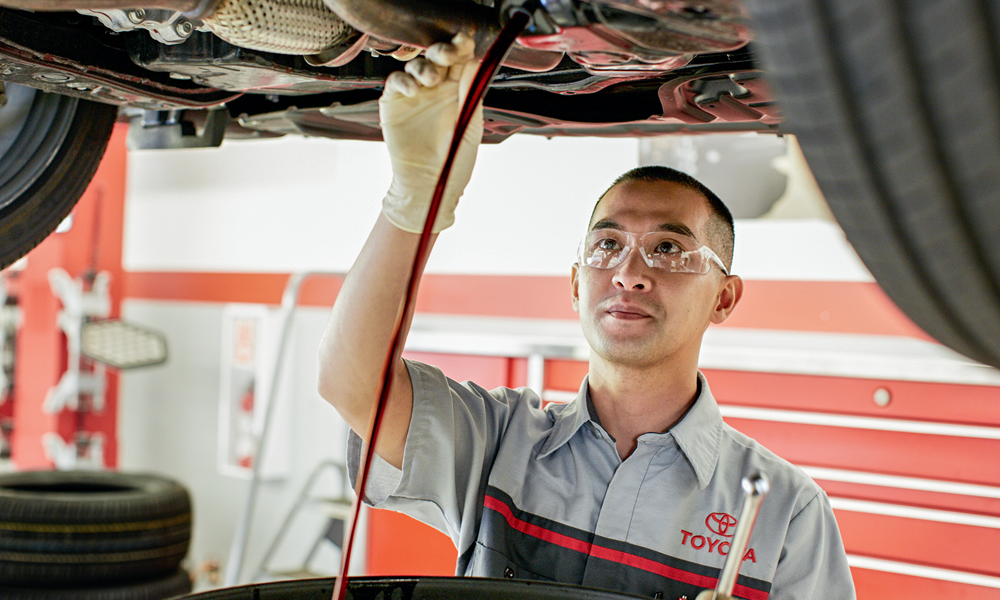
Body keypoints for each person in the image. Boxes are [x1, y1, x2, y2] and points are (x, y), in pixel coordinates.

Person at [317, 33, 856, 600]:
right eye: (606, 245)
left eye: (669, 249)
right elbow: (350, 382)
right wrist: (414, 200)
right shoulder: (499, 442)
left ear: (723, 298)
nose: (628, 272)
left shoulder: (788, 513)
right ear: (576, 284)